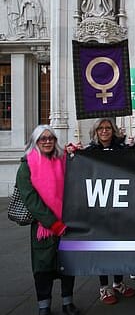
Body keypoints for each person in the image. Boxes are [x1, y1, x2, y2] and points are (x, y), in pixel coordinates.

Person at [15, 125, 80, 315]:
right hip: (43, 227)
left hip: (66, 225)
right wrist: (53, 223)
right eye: (42, 139)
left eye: (50, 138)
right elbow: (31, 200)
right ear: (35, 141)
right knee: (42, 269)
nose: (47, 141)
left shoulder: (63, 160)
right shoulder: (27, 165)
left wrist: (77, 155)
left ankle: (68, 302)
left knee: (68, 265)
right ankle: (44, 306)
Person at [83, 118, 135, 304]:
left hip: (120, 205)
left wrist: (132, 147)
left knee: (119, 245)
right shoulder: (89, 152)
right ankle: (104, 287)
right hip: (99, 207)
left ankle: (118, 282)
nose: (105, 131)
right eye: (101, 129)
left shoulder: (121, 149)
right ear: (96, 132)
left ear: (113, 130)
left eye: (108, 128)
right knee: (102, 247)